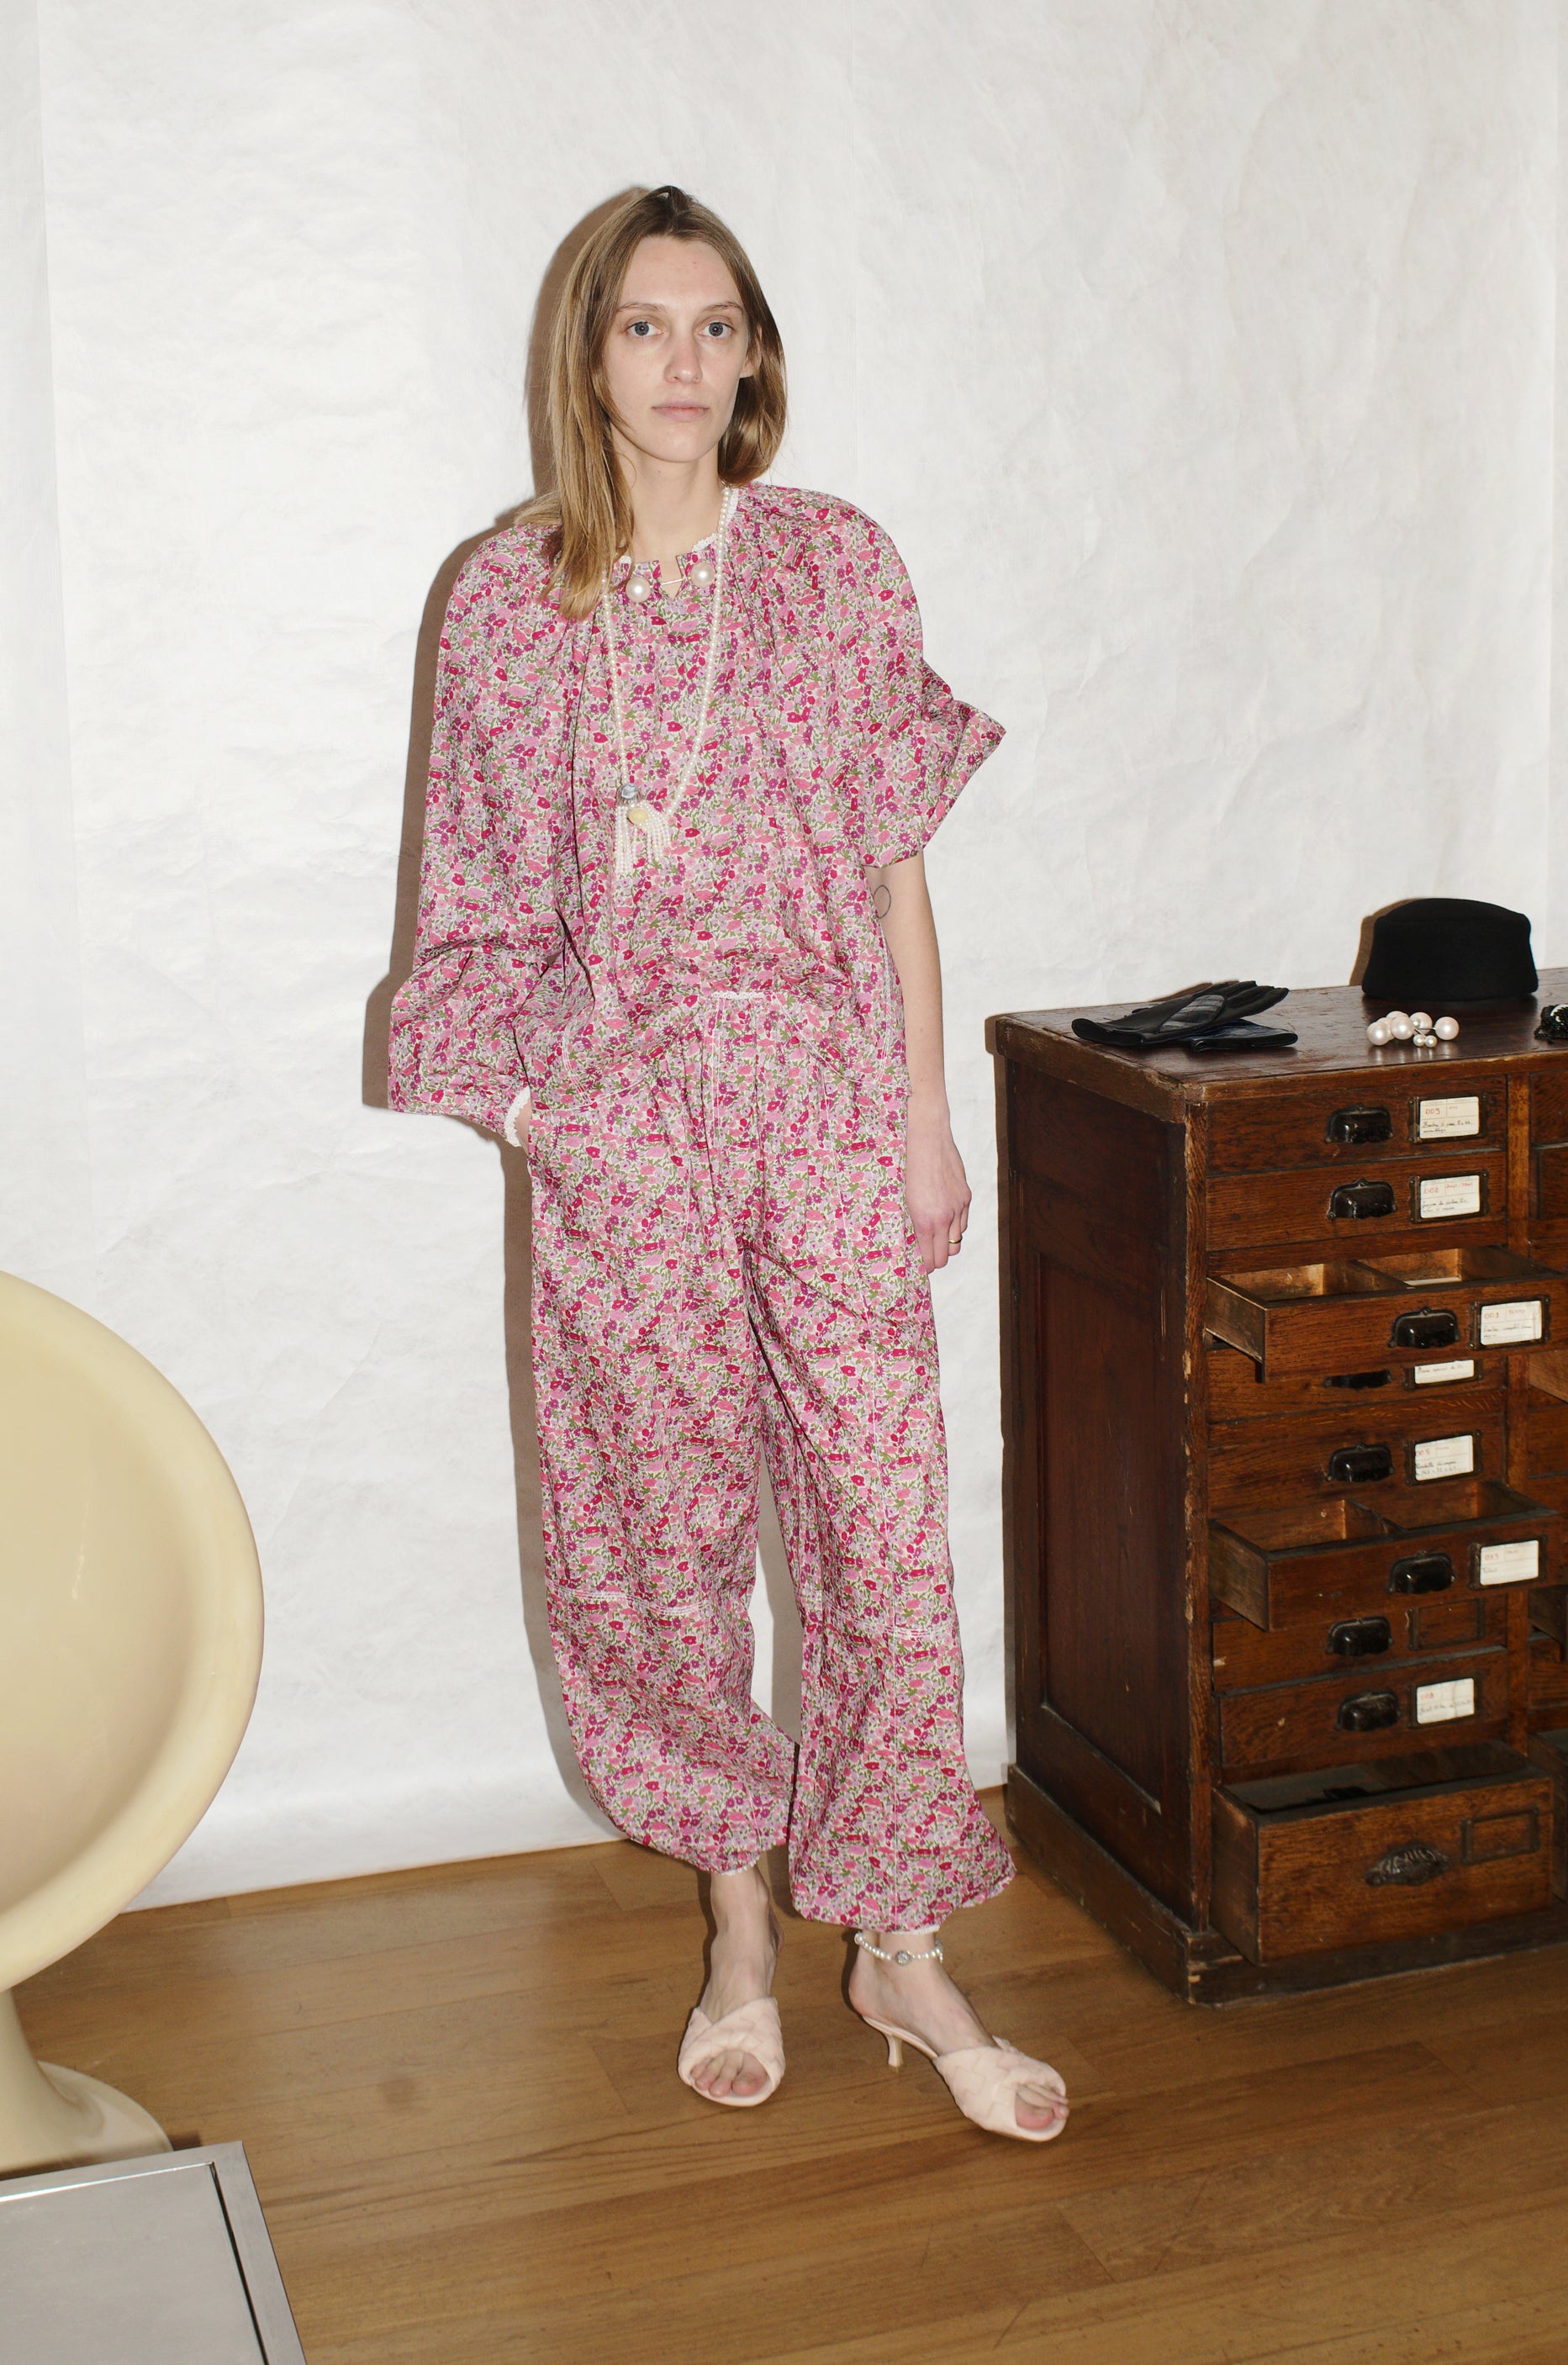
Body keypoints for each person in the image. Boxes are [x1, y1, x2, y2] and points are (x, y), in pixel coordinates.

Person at [388, 184, 1068, 2142]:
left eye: (715, 326)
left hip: (826, 1103)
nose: (682, 363)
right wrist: (547, 1118)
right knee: (656, 1535)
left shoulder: (837, 564)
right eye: (644, 326)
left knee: (880, 1530)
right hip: (624, 1129)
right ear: (588, 355)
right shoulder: (505, 598)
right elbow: (476, 898)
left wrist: (925, 1115)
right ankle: (742, 1923)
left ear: (755, 353)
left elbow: (891, 868)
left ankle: (901, 1943)